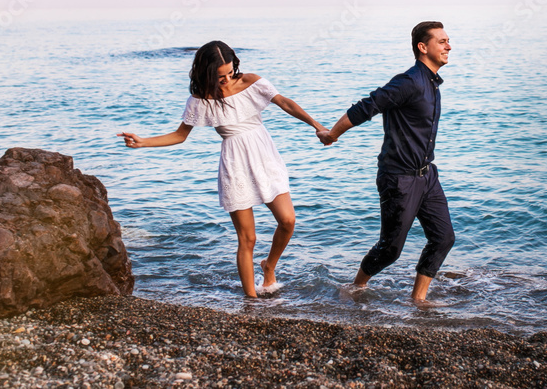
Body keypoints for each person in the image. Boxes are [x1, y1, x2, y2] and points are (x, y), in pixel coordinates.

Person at [118, 40, 326, 298]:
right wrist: (143, 142)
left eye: (230, 72)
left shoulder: (251, 82)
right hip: (235, 164)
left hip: (264, 157)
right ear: (206, 73)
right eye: (220, 76)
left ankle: (269, 265)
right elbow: (180, 135)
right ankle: (251, 301)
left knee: (288, 221)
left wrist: (317, 126)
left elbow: (284, 102)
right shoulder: (200, 100)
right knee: (247, 239)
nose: (226, 79)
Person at [318, 21, 455, 302]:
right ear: (423, 47)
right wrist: (333, 133)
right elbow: (367, 106)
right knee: (391, 249)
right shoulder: (409, 82)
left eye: (447, 41)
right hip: (399, 178)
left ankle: (418, 300)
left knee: (443, 238)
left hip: (427, 176)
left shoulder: (431, 82)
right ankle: (356, 286)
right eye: (441, 41)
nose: (448, 46)